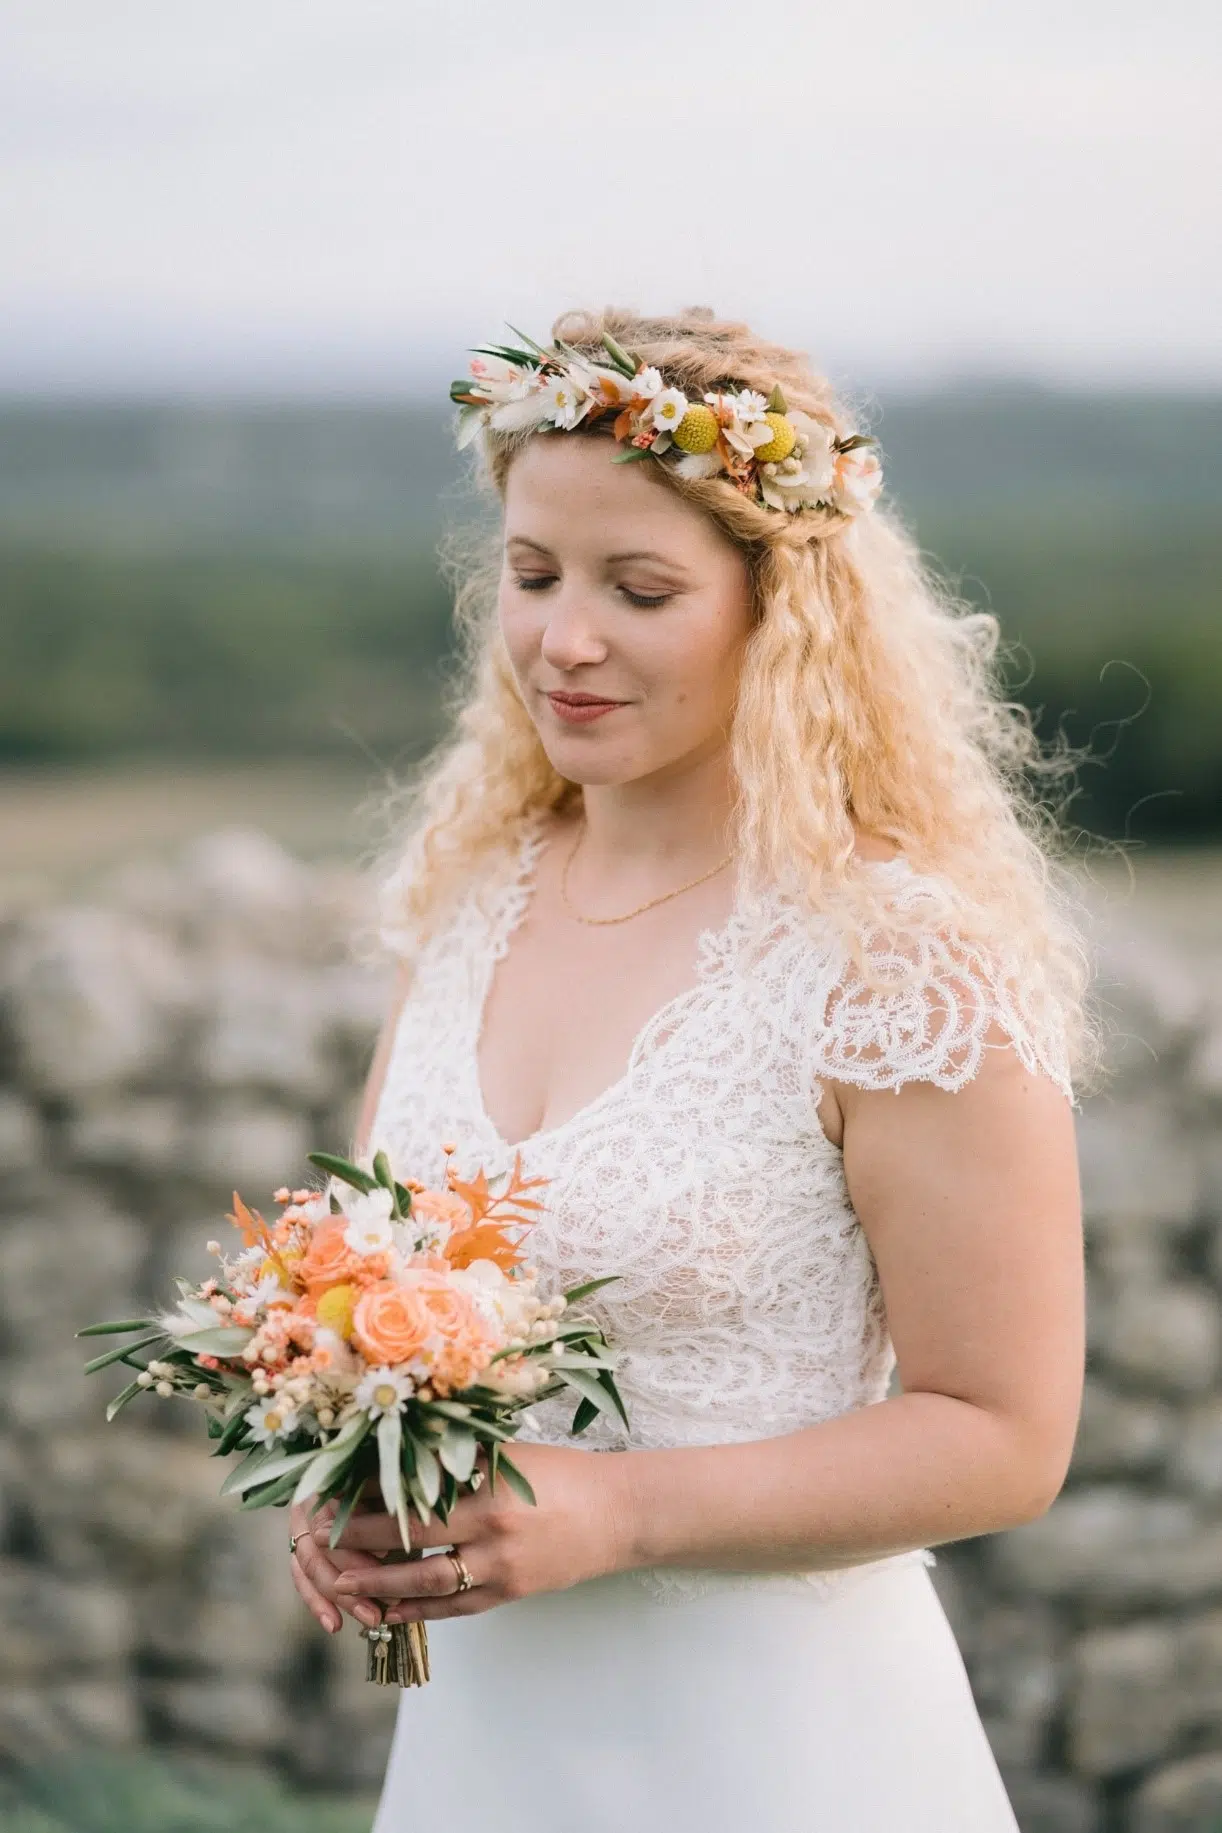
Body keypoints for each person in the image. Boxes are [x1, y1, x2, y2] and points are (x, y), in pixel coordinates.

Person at [288, 306, 1087, 1831]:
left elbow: (1003, 1434)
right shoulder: (466, 899)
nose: (561, 639)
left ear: (781, 611)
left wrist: (622, 1510)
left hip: (783, 1749)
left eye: (637, 589)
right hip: (489, 1749)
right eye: (530, 577)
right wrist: (351, 1468)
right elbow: (377, 1287)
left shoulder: (895, 960)